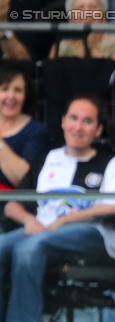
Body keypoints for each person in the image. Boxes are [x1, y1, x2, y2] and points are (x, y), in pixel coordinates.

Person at [0, 94, 115, 322]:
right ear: (63, 122)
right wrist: (29, 220)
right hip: (43, 230)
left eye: (87, 121)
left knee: (30, 247)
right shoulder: (48, 160)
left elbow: (114, 208)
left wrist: (64, 221)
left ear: (98, 129)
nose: (78, 127)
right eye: (73, 118)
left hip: (94, 235)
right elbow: (12, 205)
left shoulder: (111, 162)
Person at [0, 62, 50, 222]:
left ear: (25, 95)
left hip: (9, 212)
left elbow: (25, 179)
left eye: (18, 90)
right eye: (5, 89)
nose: (11, 96)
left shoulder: (36, 131)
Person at [49, 0, 115, 89]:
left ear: (104, 16)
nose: (87, 12)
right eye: (80, 8)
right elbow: (51, 83)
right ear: (70, 18)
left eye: (93, 7)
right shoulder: (60, 46)